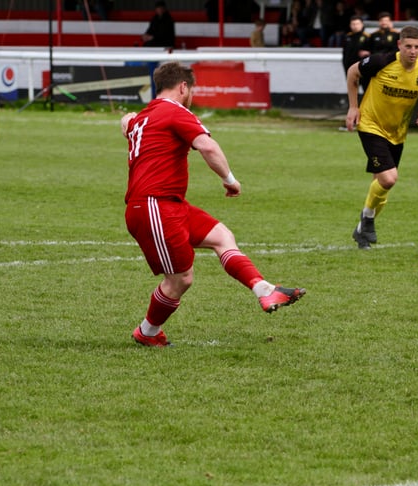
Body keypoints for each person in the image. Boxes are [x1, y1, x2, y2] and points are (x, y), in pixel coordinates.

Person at [120, 62, 305, 347]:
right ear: (183, 87)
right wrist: (230, 180)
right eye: (191, 90)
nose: (191, 96)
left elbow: (126, 122)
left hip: (170, 204)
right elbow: (207, 146)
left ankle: (263, 288)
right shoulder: (175, 111)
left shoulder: (142, 117)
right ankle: (147, 332)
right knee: (180, 279)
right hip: (154, 205)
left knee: (221, 236)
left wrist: (127, 119)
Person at [345, 26, 418, 250]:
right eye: (408, 46)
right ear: (399, 45)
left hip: (397, 133)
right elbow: (353, 72)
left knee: (381, 186)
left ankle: (361, 232)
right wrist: (353, 107)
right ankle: (367, 219)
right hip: (370, 124)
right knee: (389, 178)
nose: (412, 51)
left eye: (417, 47)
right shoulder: (382, 61)